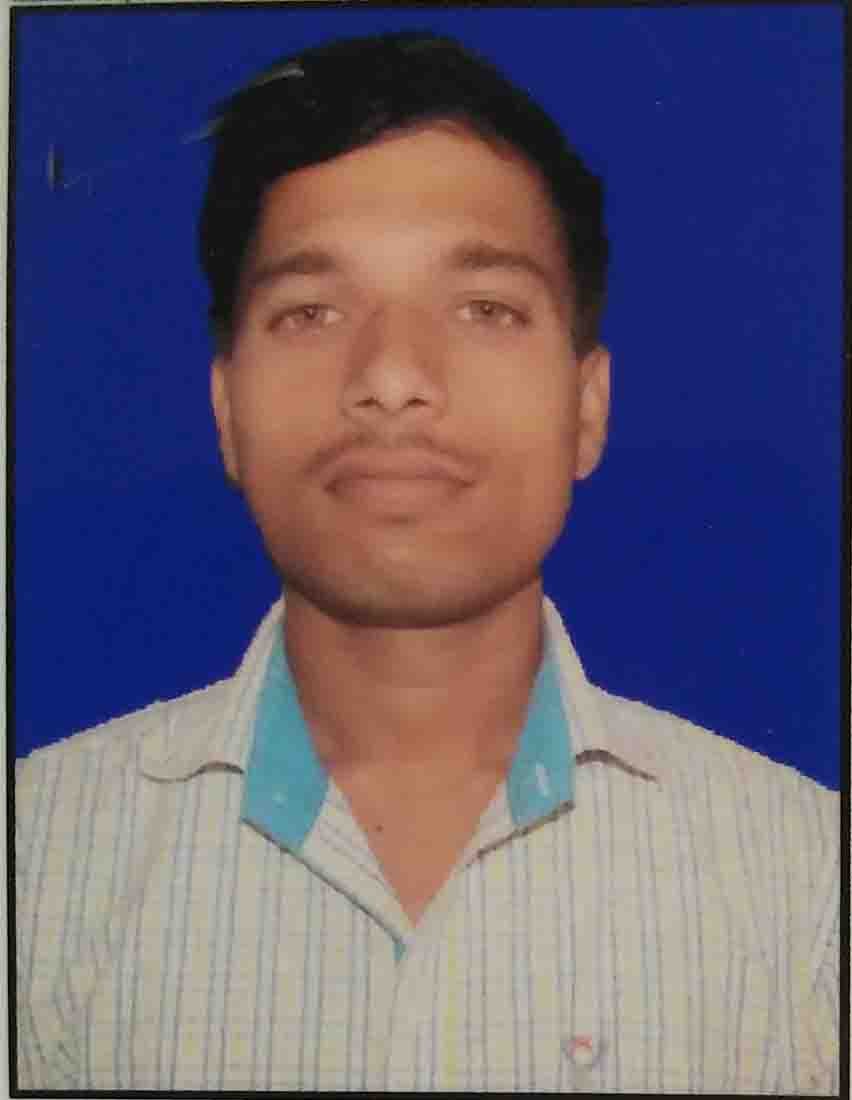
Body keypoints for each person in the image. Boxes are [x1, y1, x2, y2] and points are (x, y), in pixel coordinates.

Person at [15, 29, 838, 1093]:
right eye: (311, 311)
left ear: (588, 406)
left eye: (485, 309)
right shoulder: (36, 861)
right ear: (226, 412)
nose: (394, 375)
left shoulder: (808, 887)